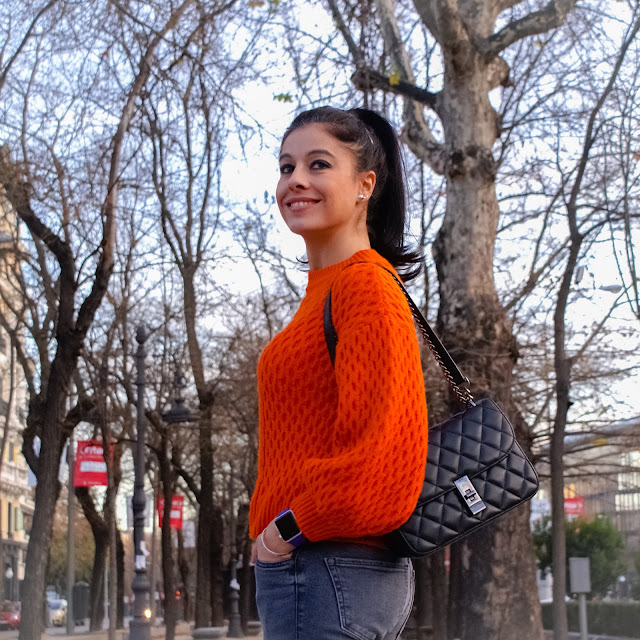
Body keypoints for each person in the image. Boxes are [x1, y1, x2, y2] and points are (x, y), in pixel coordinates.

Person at [249, 106, 429, 639]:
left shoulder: (364, 287)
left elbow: (380, 463)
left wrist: (282, 533)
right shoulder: (327, 292)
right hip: (320, 568)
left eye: (318, 164)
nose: (295, 180)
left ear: (364, 185)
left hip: (326, 566)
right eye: (286, 167)